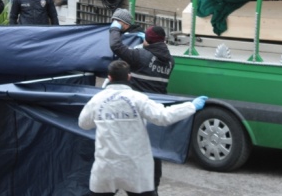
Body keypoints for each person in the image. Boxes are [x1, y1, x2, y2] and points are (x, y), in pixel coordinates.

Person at [78, 60, 207, 196]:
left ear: (109, 78)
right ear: (129, 77)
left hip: (106, 167)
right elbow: (163, 116)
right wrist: (191, 106)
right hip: (135, 167)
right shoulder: (138, 99)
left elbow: (83, 123)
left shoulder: (97, 100)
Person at [109, 9, 174, 192]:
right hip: (155, 111)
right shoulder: (170, 61)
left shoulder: (140, 57)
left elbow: (116, 46)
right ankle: (152, 187)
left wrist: (115, 29)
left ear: (148, 41)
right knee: (153, 151)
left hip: (136, 112)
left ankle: (116, 185)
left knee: (127, 150)